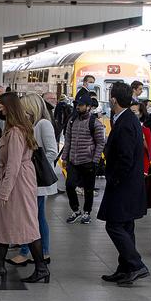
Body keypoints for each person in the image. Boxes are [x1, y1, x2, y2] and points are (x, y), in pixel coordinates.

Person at [0, 91, 46, 284]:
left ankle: (41, 267)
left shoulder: (16, 132)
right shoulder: (15, 129)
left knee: (26, 224)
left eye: (0, 108)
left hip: (18, 183)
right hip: (17, 180)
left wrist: (4, 192)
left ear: (9, 108)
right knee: (4, 223)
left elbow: (14, 164)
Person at [100, 82, 149, 286]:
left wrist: (114, 178)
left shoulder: (126, 122)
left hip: (124, 186)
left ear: (113, 100)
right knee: (126, 226)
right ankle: (125, 268)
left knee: (114, 225)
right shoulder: (126, 119)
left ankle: (136, 264)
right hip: (128, 185)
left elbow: (125, 158)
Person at [9, 94, 59, 267]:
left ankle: (27, 251)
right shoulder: (31, 125)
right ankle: (42, 252)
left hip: (37, 178)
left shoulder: (43, 124)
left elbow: (52, 151)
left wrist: (32, 162)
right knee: (36, 215)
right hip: (32, 179)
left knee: (30, 216)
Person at [63, 89, 107, 224]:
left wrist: (95, 160)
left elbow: (101, 142)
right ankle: (76, 210)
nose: (78, 107)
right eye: (77, 104)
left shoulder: (95, 123)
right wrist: (65, 157)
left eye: (81, 105)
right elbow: (68, 140)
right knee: (70, 185)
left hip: (88, 162)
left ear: (89, 107)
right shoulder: (72, 121)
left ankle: (87, 212)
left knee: (88, 189)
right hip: (73, 161)